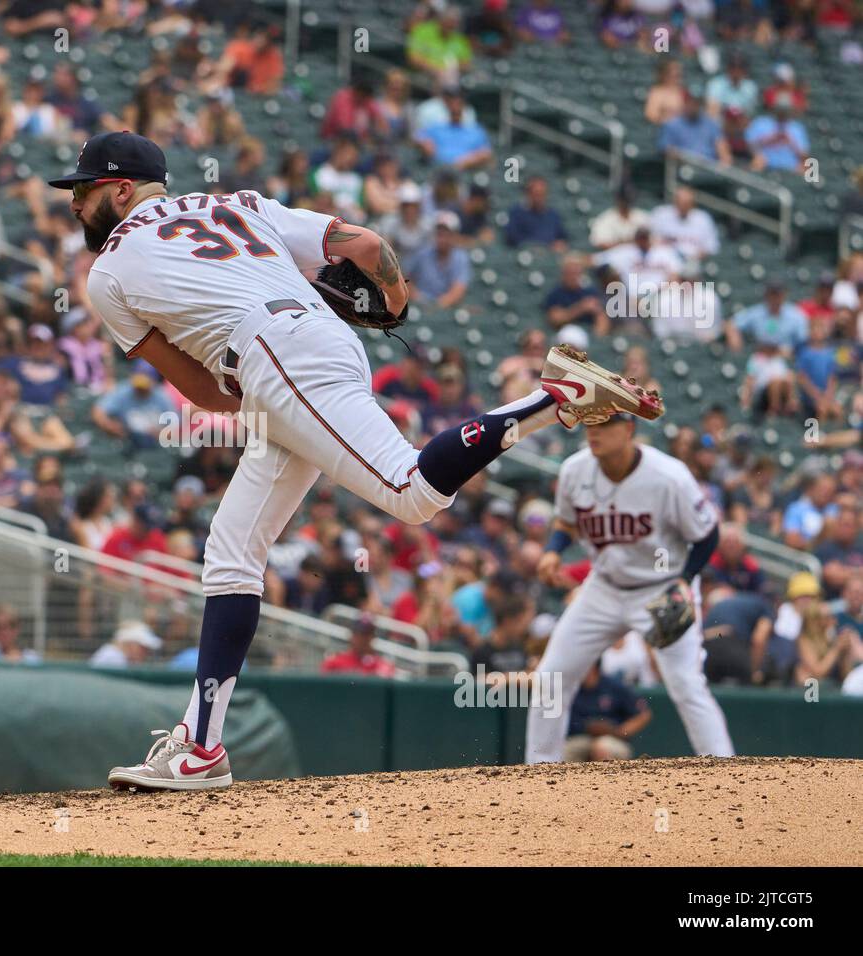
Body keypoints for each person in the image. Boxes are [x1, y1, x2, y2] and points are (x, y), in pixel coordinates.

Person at [49, 131, 666, 791]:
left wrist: (242, 376)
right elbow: (368, 247)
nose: (76, 205)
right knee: (232, 551)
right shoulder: (238, 202)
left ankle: (555, 398)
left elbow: (201, 393)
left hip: (273, 359)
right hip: (316, 341)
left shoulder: (108, 271)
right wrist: (395, 299)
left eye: (83, 191)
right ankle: (200, 748)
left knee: (413, 494)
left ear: (119, 189)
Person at [527, 413, 735, 763]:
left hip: (662, 586)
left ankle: (726, 770)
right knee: (551, 678)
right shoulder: (575, 470)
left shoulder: (668, 476)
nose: (594, 432)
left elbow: (707, 534)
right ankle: (536, 772)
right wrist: (552, 551)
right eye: (590, 424)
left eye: (604, 424)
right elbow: (566, 521)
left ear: (629, 429)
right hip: (604, 587)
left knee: (686, 684)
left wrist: (684, 581)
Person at [563, 659, 652, 761]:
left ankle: (609, 777)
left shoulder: (613, 686)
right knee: (564, 751)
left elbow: (643, 714)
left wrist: (619, 731)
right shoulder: (571, 688)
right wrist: (587, 727)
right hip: (581, 738)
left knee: (601, 748)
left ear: (594, 668)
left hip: (612, 739)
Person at [320, 615, 397, 677]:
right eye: (359, 634)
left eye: (366, 634)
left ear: (372, 637)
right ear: (352, 635)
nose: (362, 639)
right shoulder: (335, 662)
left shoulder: (382, 665)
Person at [89, 620, 162, 669]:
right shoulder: (114, 658)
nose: (146, 653)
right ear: (131, 644)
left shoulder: (113, 654)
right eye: (142, 648)